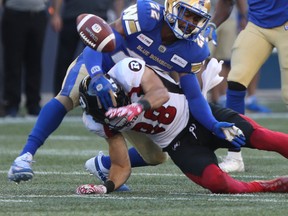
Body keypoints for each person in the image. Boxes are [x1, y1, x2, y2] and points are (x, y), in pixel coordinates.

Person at [8, 0, 244, 184]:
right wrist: (97, 75)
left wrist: (213, 125)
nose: (190, 23)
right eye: (187, 14)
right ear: (172, 7)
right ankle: (24, 157)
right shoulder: (147, 15)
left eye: (197, 18)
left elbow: (193, 96)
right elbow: (99, 42)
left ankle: (104, 165)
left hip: (131, 88)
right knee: (67, 97)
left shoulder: (193, 48)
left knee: (156, 156)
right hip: (102, 64)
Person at [76, 57, 288, 194]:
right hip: (178, 144)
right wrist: (106, 188)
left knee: (263, 137)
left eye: (117, 105)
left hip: (198, 116)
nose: (117, 113)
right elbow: (121, 166)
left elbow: (159, 93)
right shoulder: (97, 123)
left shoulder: (127, 72)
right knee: (217, 183)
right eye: (109, 113)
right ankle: (272, 185)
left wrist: (137, 107)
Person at [204, 0, 288, 173]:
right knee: (236, 80)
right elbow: (226, 3)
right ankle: (234, 156)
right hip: (257, 24)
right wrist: (212, 24)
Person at [50, 0, 126, 96]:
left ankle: (99, 96)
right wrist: (56, 14)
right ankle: (59, 95)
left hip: (98, 19)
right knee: (64, 60)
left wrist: (119, 17)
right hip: (71, 16)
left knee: (100, 61)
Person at [1, 0, 49, 117]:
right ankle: (11, 104)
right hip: (14, 12)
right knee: (13, 62)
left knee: (35, 62)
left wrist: (56, 13)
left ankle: (33, 104)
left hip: (38, 12)